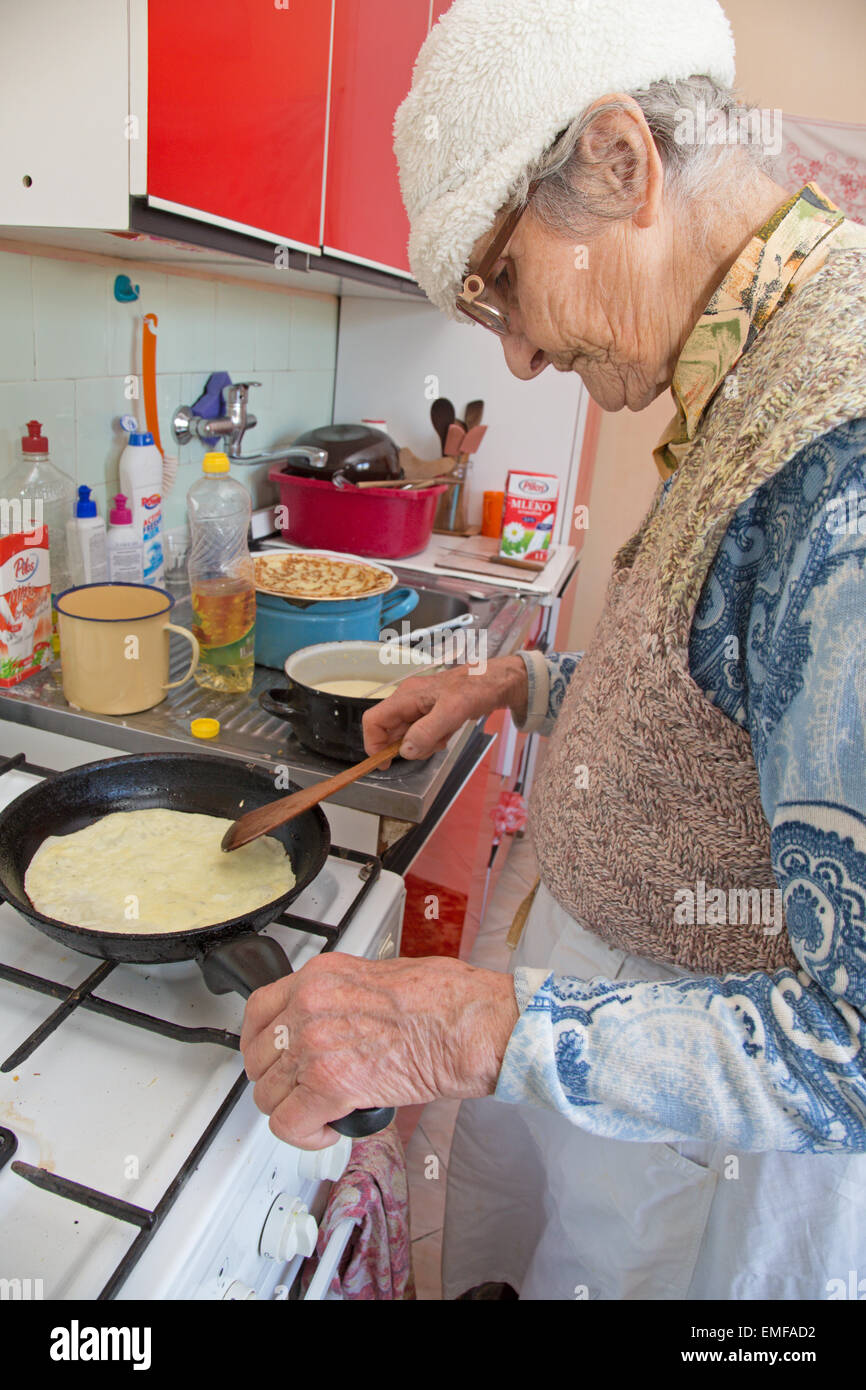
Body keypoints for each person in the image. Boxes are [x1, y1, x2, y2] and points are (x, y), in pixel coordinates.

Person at [240, 0, 866, 1299]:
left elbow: (852, 1031)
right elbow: (731, 695)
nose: (515, 349)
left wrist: (466, 1019)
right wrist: (522, 677)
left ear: (621, 162)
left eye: (500, 283)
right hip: (606, 1033)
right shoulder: (750, 371)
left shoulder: (840, 464)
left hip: (705, 1154)